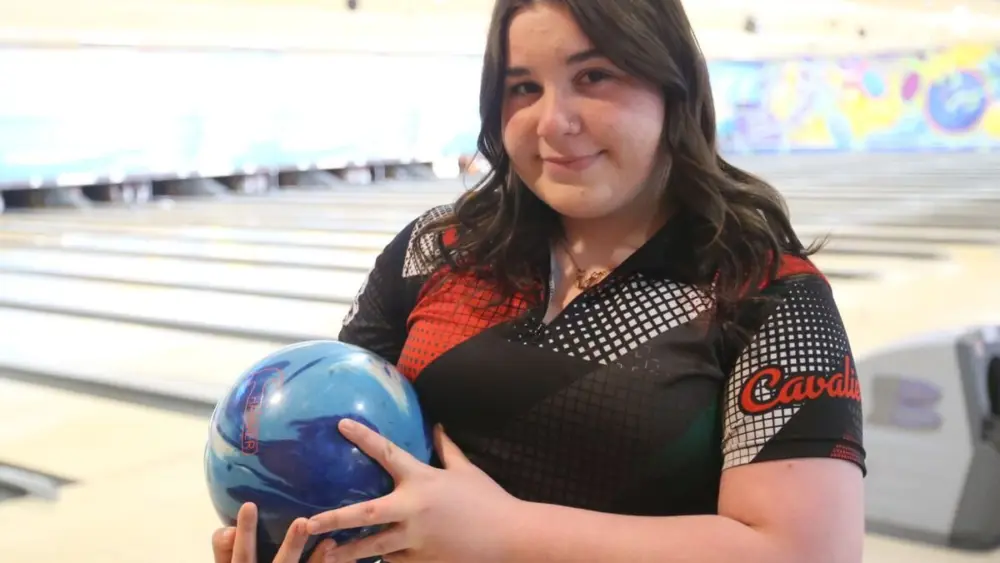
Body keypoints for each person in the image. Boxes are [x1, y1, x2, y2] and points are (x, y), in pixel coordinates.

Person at [212, 0, 867, 561]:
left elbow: (807, 551)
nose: (553, 122)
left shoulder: (765, 290)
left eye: (593, 76)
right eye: (523, 87)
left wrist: (505, 532)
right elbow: (338, 448)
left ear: (673, 85)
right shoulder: (434, 250)